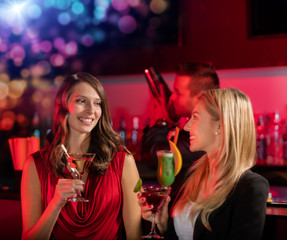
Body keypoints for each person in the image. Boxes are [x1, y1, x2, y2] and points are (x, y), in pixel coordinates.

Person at [21, 72, 142, 240]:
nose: (91, 110)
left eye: (97, 103)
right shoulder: (35, 164)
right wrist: (56, 203)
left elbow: (135, 235)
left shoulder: (123, 160)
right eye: (81, 101)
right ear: (63, 106)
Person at [139, 88, 269, 239]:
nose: (187, 127)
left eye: (195, 117)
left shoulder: (251, 187)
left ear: (220, 125)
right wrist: (162, 224)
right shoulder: (192, 175)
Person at [141, 62, 220, 197]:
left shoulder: (204, 136)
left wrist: (162, 122)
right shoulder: (188, 131)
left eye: (178, 92)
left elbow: (153, 156)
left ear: (199, 98)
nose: (172, 97)